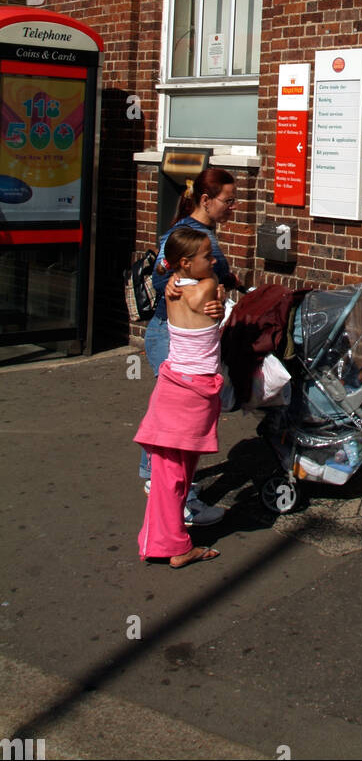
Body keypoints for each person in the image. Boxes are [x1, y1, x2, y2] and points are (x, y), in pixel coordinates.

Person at [140, 166, 242, 525]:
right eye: (228, 201)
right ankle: (178, 502)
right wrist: (176, 285)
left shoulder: (191, 233)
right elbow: (162, 276)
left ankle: (165, 492)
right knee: (178, 430)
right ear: (205, 200)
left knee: (170, 426)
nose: (233, 207)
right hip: (174, 338)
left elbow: (170, 274)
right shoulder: (198, 239)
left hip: (171, 335)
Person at [135, 227, 225, 566]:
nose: (213, 259)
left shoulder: (174, 291)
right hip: (194, 392)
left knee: (170, 474)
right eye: (206, 255)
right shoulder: (206, 288)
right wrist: (175, 272)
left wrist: (168, 273)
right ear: (186, 262)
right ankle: (174, 546)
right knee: (176, 474)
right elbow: (214, 278)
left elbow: (169, 272)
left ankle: (162, 540)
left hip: (173, 386)